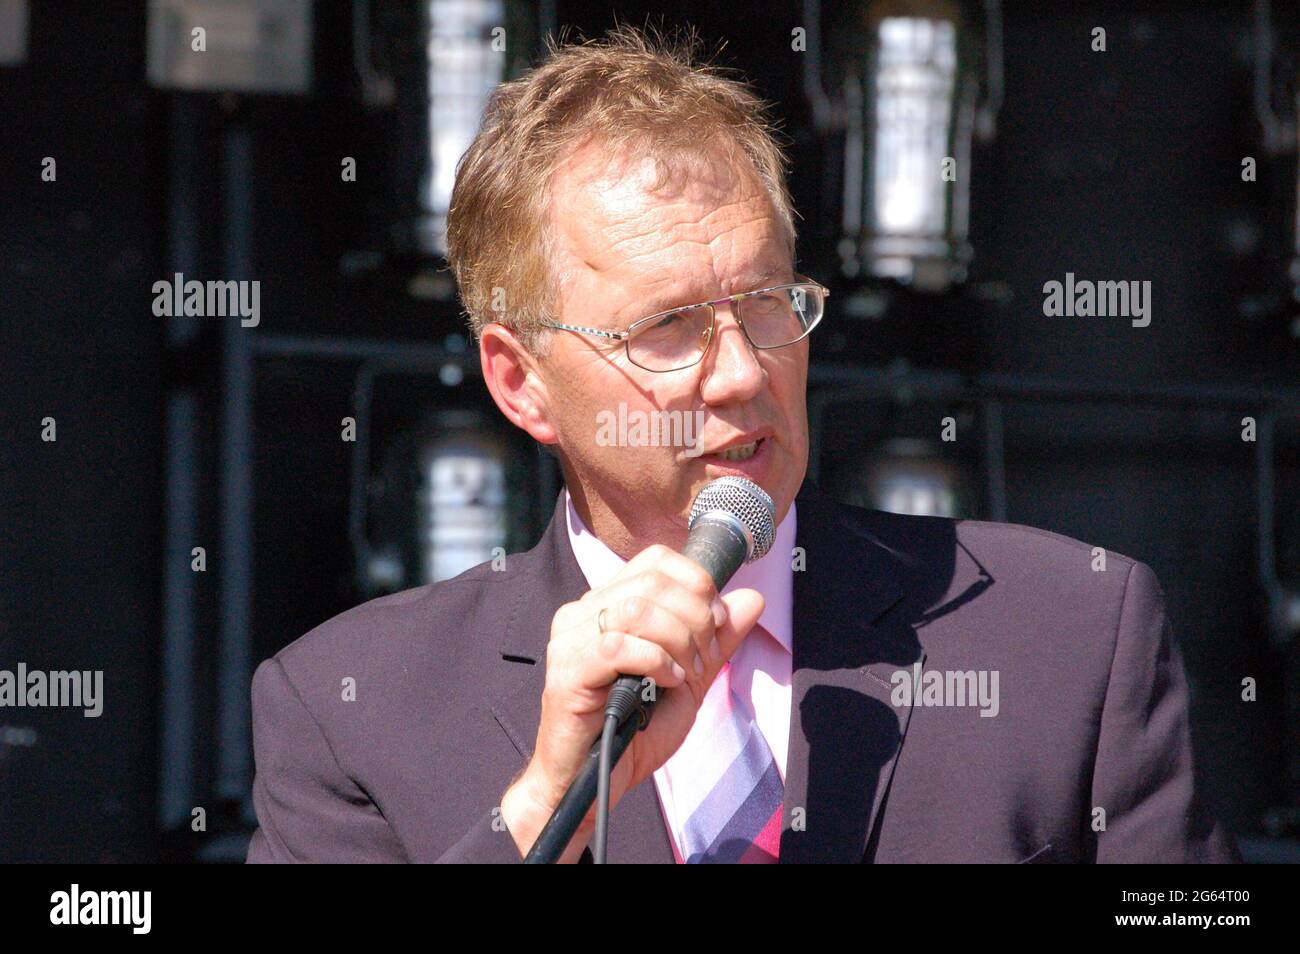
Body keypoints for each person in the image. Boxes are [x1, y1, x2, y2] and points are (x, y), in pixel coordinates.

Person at [246, 26, 1237, 863]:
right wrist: (550, 797)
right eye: (666, 327)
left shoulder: (1070, 631)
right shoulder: (350, 708)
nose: (741, 373)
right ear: (519, 381)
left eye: (766, 303)